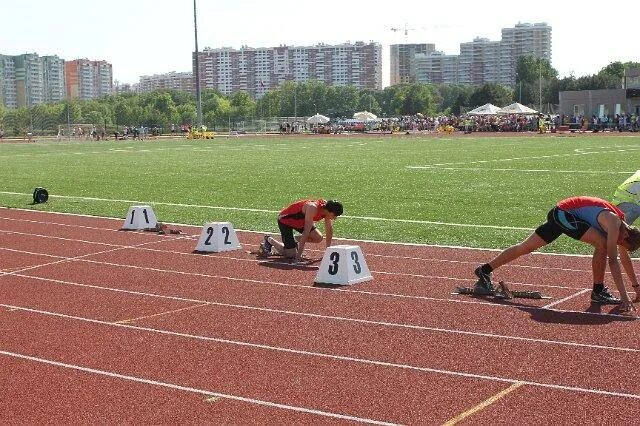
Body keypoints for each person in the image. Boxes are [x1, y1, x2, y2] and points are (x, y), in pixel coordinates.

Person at [473, 196, 640, 312]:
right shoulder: (614, 223)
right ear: (626, 235)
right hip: (563, 213)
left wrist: (636, 287)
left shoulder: (623, 229)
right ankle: (598, 291)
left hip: (562, 213)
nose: (618, 245)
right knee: (602, 243)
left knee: (525, 247)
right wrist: (624, 298)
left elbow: (623, 257)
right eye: (620, 243)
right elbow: (613, 261)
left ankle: (485, 269)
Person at [259, 199, 343, 262]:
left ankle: (293, 242)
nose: (335, 218)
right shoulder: (312, 208)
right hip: (286, 221)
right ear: (330, 211)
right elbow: (306, 232)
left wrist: (328, 251)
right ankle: (269, 240)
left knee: (318, 238)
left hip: (301, 222)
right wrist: (298, 256)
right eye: (335, 215)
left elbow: (329, 230)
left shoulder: (326, 210)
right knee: (291, 254)